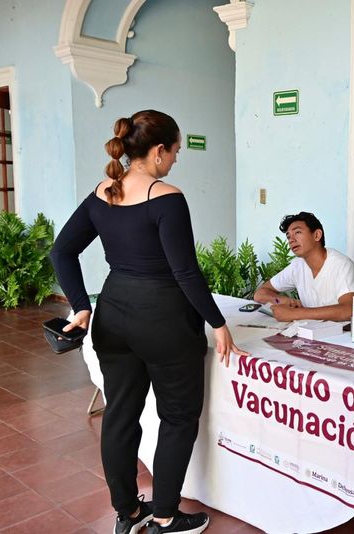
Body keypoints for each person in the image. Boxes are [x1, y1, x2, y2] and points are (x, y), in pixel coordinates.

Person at [50, 110, 248, 534]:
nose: (175, 160)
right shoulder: (167, 196)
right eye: (175, 151)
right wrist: (217, 323)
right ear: (158, 151)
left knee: (120, 414)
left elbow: (61, 252)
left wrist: (82, 305)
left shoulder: (103, 192)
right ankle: (165, 516)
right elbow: (185, 272)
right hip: (164, 321)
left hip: (114, 313)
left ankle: (127, 513)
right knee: (178, 417)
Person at [253, 211, 354, 322]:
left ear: (316, 235)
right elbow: (260, 294)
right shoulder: (297, 265)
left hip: (342, 336)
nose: (291, 240)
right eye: (288, 236)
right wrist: (283, 301)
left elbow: (349, 310)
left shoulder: (342, 265)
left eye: (297, 232)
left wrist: (295, 314)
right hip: (310, 333)